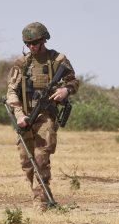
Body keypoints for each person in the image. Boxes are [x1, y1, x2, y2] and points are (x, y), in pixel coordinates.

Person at [5, 22, 79, 209]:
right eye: (28, 43)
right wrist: (20, 114)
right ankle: (43, 195)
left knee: (41, 156)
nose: (32, 47)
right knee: (26, 160)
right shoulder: (21, 63)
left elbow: (73, 81)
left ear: (44, 39)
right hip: (26, 117)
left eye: (36, 42)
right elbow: (11, 92)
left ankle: (41, 203)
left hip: (46, 115)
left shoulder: (58, 59)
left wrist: (65, 90)